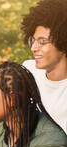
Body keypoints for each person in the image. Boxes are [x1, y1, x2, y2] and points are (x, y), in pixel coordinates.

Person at [20, 0, 67, 133]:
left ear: (63, 43)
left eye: (42, 42)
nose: (34, 48)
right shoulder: (28, 71)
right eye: (33, 41)